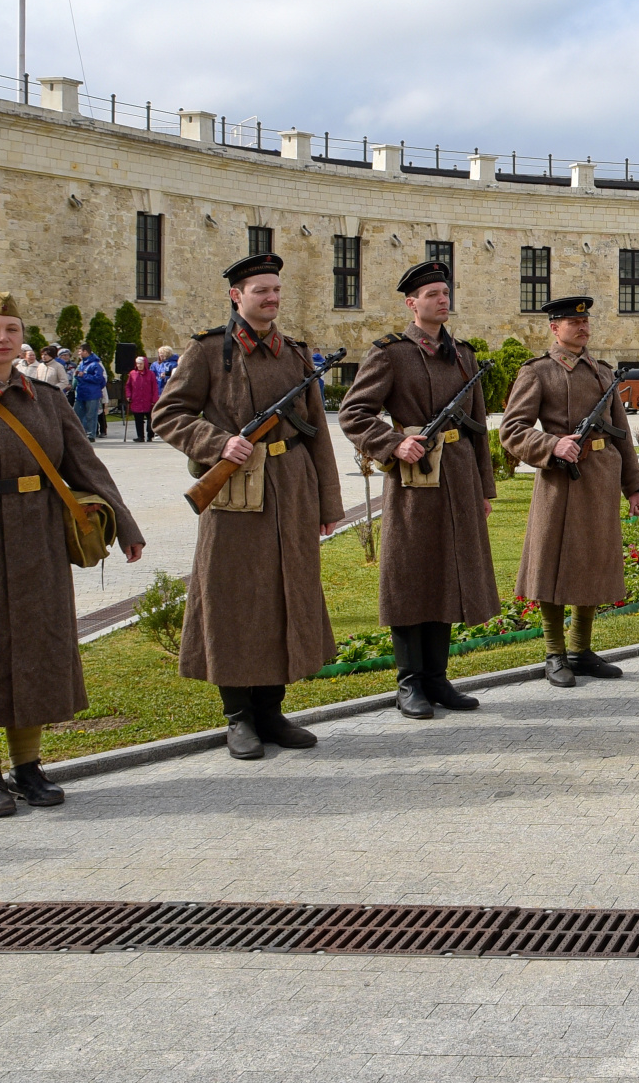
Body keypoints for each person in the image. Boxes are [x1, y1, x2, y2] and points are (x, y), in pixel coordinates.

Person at [0, 290, 145, 816]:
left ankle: (28, 766)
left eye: (11, 329)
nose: (2, 338)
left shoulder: (48, 399)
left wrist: (124, 525)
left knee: (37, 652)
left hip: (39, 546)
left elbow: (85, 467)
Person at [152, 252, 346, 759]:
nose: (272, 298)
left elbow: (317, 431)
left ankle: (272, 711)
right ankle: (238, 715)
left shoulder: (294, 353)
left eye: (276, 290)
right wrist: (218, 443)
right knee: (235, 600)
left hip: (292, 487)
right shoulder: (207, 351)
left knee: (285, 596)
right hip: (235, 494)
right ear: (236, 296)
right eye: (261, 290)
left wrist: (328, 501)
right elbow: (167, 414)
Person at [339, 259, 499, 719]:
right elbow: (353, 413)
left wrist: (483, 489)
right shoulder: (390, 353)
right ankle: (409, 682)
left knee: (448, 575)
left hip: (459, 478)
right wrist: (393, 442)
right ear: (412, 304)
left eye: (445, 293)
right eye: (432, 295)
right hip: (413, 481)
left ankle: (437, 679)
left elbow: (477, 428)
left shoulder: (463, 354)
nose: (442, 300)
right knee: (410, 578)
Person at [500, 294, 639, 687]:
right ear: (554, 328)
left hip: (600, 482)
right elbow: (511, 430)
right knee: (551, 566)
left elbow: (621, 434)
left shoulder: (602, 372)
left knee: (593, 563)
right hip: (561, 483)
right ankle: (554, 653)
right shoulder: (538, 372)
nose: (583, 327)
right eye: (573, 322)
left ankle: (581, 650)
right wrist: (552, 445)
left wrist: (633, 486)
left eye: (585, 322)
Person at [71, 346, 108, 440]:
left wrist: (84, 376)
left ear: (85, 352)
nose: (78, 353)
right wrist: (77, 376)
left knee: (91, 415)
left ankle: (90, 435)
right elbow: (80, 378)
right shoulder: (82, 364)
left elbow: (99, 379)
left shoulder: (96, 364)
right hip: (81, 394)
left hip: (92, 394)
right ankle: (80, 433)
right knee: (77, 414)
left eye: (80, 351)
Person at [123, 353, 161, 441]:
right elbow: (128, 386)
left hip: (148, 400)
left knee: (150, 419)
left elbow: (155, 387)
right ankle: (140, 436)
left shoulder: (151, 374)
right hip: (136, 400)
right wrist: (128, 395)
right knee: (138, 419)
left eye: (141, 364)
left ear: (145, 364)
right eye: (137, 363)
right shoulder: (132, 373)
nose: (139, 365)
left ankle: (150, 435)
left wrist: (154, 399)